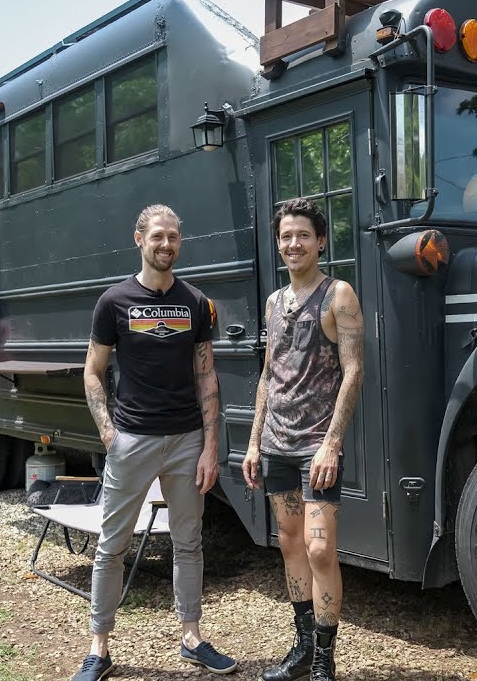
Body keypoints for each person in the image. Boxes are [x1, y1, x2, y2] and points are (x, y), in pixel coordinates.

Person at [73, 205, 237, 680]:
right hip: (132, 440)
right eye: (158, 237)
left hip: (187, 441)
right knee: (112, 546)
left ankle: (192, 638)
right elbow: (92, 371)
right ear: (139, 239)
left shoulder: (195, 302)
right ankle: (99, 649)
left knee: (189, 543)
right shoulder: (114, 301)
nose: (166, 245)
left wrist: (210, 447)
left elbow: (206, 375)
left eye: (174, 237)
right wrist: (109, 433)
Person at [243, 198, 365, 681]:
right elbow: (268, 374)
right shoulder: (274, 302)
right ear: (279, 244)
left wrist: (333, 443)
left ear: (320, 242)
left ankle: (324, 660)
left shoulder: (339, 295)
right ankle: (302, 648)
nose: (294, 244)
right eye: (286, 237)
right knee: (291, 544)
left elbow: (354, 370)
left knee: (319, 549)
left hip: (316, 444)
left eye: (303, 236)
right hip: (276, 443)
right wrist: (254, 441)